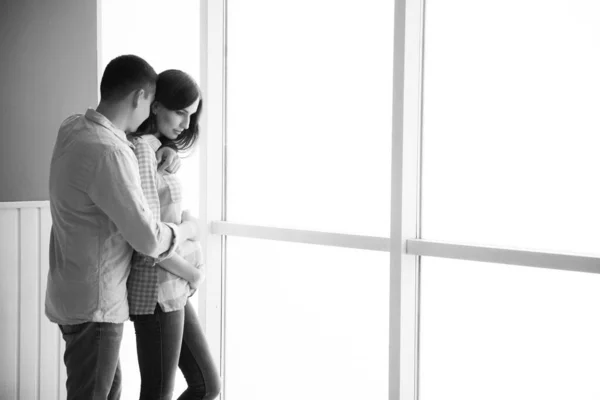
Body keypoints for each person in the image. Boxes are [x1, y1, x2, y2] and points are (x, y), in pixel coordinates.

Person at [46, 55, 203, 400]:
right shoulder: (111, 152)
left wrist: (162, 147)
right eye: (151, 103)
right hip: (96, 303)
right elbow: (149, 238)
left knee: (106, 389)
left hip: (69, 291)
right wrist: (191, 230)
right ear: (140, 98)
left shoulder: (73, 127)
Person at [127, 69, 221, 400]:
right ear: (155, 105)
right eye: (180, 111)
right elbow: (148, 241)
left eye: (190, 115)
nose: (185, 123)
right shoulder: (141, 150)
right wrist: (193, 272)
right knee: (159, 393)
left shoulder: (157, 149)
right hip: (158, 292)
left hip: (172, 291)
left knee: (207, 384)